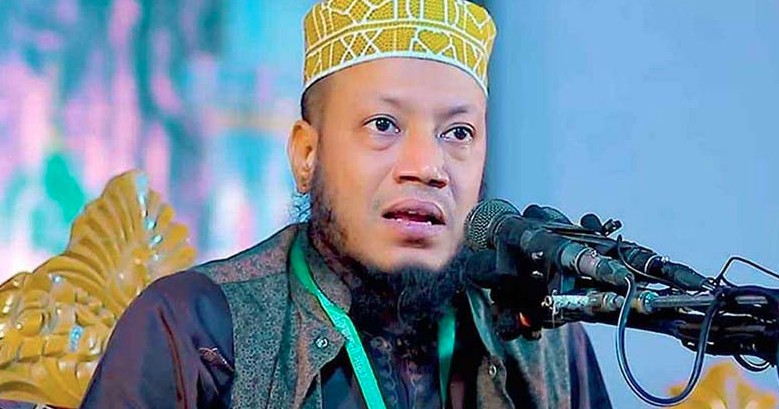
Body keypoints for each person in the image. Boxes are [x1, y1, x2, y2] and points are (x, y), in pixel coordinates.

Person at [80, 0, 611, 408]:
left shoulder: (546, 347)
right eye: (384, 125)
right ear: (307, 154)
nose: (428, 167)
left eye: (458, 132)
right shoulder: (195, 331)